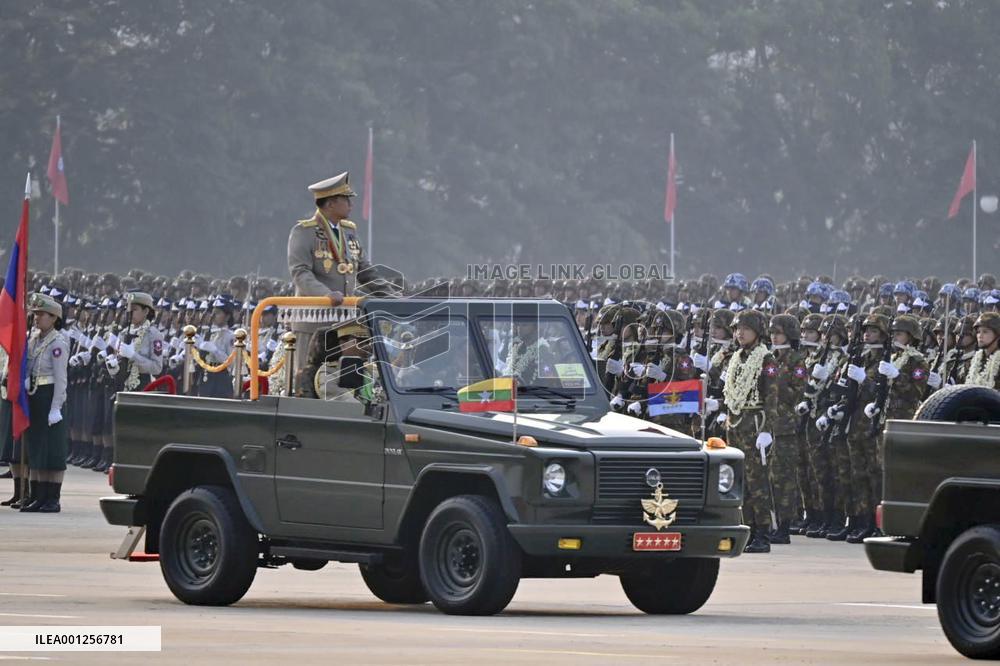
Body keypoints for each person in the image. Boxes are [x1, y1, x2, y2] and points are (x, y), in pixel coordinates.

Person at [287, 172, 371, 371]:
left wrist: (390, 292)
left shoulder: (349, 231)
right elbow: (300, 272)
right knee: (309, 377)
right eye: (346, 199)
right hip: (314, 320)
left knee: (343, 380)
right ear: (331, 204)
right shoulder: (304, 231)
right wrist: (325, 294)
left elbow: (366, 270)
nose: (351, 204)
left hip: (345, 322)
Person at [721, 309, 779, 553]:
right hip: (736, 424)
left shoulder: (766, 359)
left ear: (758, 331)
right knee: (739, 481)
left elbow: (772, 398)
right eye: (736, 329)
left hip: (754, 425)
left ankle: (762, 533)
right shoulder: (737, 358)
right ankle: (747, 528)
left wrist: (767, 430)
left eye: (745, 328)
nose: (739, 333)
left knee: (757, 482)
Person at [19, 294, 71, 512]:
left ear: (54, 317)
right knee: (37, 447)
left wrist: (56, 406)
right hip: (35, 395)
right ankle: (37, 495)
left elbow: (61, 378)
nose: (36, 318)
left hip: (50, 396)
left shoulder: (58, 342)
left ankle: (52, 498)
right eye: (35, 314)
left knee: (53, 450)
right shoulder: (34, 339)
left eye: (41, 314)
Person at [965, 312, 1000, 389]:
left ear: (997, 335)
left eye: (985, 332)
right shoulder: (973, 361)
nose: (980, 336)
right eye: (978, 332)